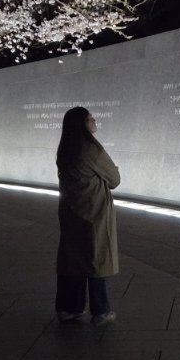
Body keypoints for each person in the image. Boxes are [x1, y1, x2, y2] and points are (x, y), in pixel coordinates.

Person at [55, 107, 121, 326]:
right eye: (91, 118)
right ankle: (101, 310)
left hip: (71, 211)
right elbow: (114, 179)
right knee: (97, 258)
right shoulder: (92, 150)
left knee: (72, 258)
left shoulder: (65, 149)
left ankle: (69, 308)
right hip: (94, 212)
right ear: (83, 123)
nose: (94, 121)